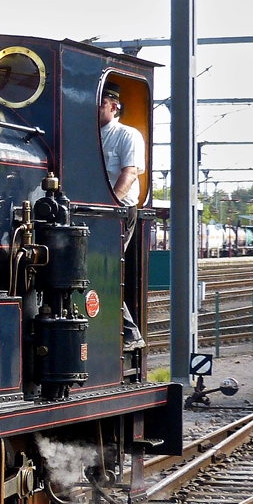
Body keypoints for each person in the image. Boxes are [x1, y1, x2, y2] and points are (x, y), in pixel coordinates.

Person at [99, 82, 146, 350]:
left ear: (114, 106)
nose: (95, 109)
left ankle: (131, 333)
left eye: (101, 103)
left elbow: (129, 173)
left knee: (104, 271)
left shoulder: (128, 135)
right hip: (96, 211)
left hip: (119, 211)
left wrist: (112, 202)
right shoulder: (91, 135)